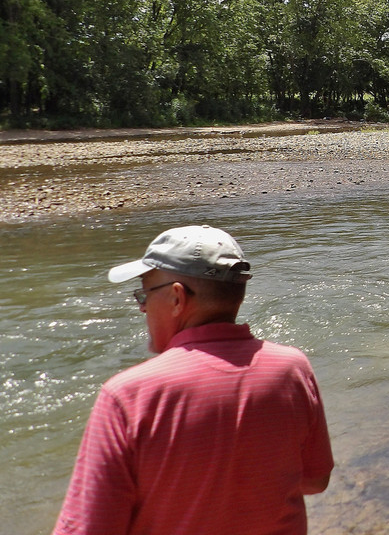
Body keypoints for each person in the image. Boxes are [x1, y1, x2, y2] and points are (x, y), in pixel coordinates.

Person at [54, 225, 334, 535]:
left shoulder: (128, 396)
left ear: (177, 298)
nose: (142, 307)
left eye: (144, 294)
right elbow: (315, 480)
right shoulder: (292, 369)